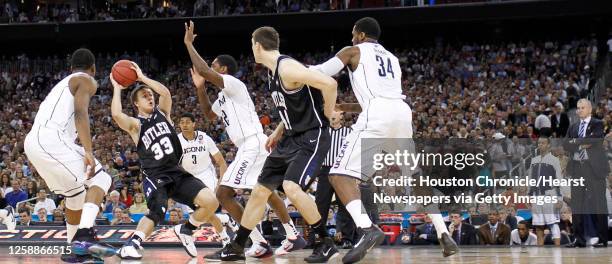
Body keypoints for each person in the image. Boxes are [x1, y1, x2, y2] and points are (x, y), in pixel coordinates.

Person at [309, 17, 457, 260]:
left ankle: (367, 229)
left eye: (353, 33)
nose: (351, 37)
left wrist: (291, 69)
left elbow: (322, 72)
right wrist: (343, 106)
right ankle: (443, 233)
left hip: (377, 114)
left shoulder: (353, 50)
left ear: (361, 35)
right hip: (400, 112)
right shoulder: (392, 58)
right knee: (415, 176)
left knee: (338, 175)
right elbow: (377, 98)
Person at [213, 25, 338, 262]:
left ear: (258, 45)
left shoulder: (287, 67)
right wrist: (279, 130)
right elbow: (291, 107)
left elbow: (329, 84)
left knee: (291, 186)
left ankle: (326, 242)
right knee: (260, 191)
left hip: (312, 134)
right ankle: (238, 246)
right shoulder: (271, 72)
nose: (252, 48)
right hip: (290, 137)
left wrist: (329, 112)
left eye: (252, 44)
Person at [183, 21, 306, 259]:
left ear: (224, 70)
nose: (209, 68)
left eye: (214, 66)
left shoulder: (234, 85)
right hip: (251, 145)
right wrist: (200, 88)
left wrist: (189, 44)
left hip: (252, 144)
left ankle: (257, 242)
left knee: (224, 194)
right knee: (266, 192)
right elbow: (209, 115)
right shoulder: (222, 96)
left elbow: (206, 71)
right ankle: (292, 235)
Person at [111, 62, 222, 259]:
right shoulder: (137, 125)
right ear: (136, 103)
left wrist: (143, 78)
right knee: (158, 211)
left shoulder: (163, 113)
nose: (150, 96)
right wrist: (117, 89)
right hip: (155, 174)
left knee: (211, 202)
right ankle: (130, 245)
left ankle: (186, 230)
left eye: (150, 95)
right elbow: (117, 115)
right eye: (144, 96)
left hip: (176, 170)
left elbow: (166, 94)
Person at [23, 48, 114, 262]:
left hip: (36, 143)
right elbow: (81, 113)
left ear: (71, 67)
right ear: (93, 68)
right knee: (102, 177)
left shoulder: (62, 85)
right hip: (50, 141)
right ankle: (86, 236)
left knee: (75, 196)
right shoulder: (86, 80)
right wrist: (88, 150)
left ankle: (74, 250)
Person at [177, 112, 232, 246]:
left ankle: (225, 237)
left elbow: (221, 162)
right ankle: (226, 228)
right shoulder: (176, 141)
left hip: (206, 173)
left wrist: (221, 182)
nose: (184, 125)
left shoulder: (204, 138)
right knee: (203, 211)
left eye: (187, 122)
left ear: (194, 124)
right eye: (182, 122)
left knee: (207, 207)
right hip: (189, 177)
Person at [564, 99, 609, 248]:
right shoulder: (573, 126)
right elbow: (565, 144)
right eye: (578, 108)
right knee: (576, 205)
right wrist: (582, 143)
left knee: (599, 204)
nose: (579, 110)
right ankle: (579, 239)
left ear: (590, 109)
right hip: (577, 168)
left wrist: (575, 142)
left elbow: (595, 139)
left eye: (582, 108)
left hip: (594, 169)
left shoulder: (597, 123)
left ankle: (602, 238)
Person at [529, 137, 563, 246]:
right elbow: (531, 179)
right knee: (539, 226)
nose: (540, 145)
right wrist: (529, 196)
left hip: (550, 194)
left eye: (543, 143)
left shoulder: (554, 160)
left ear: (548, 145)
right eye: (539, 143)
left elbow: (559, 180)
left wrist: (559, 199)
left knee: (553, 223)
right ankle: (540, 252)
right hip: (537, 195)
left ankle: (557, 250)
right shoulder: (534, 160)